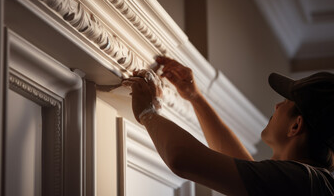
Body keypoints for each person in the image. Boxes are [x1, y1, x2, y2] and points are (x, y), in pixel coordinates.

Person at [123, 56, 334, 196]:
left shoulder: (303, 181)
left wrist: (147, 113)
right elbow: (240, 167)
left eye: (286, 102)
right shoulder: (311, 183)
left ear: (296, 126)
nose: (277, 105)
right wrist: (195, 98)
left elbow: (183, 159)